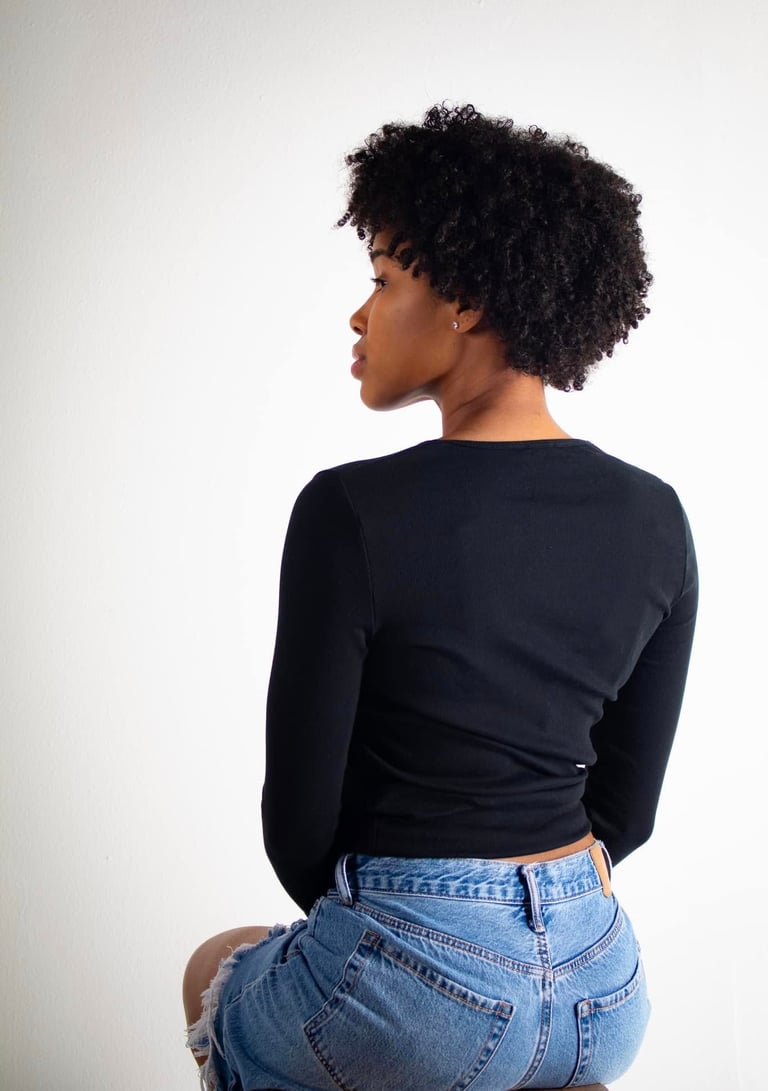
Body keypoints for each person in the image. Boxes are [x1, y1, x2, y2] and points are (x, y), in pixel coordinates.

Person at [183, 103, 698, 1091]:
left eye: (383, 279)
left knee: (213, 964)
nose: (360, 313)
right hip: (602, 987)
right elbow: (628, 811)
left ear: (462, 297)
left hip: (418, 981)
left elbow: (299, 824)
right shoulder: (656, 515)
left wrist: (415, 935)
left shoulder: (351, 509)